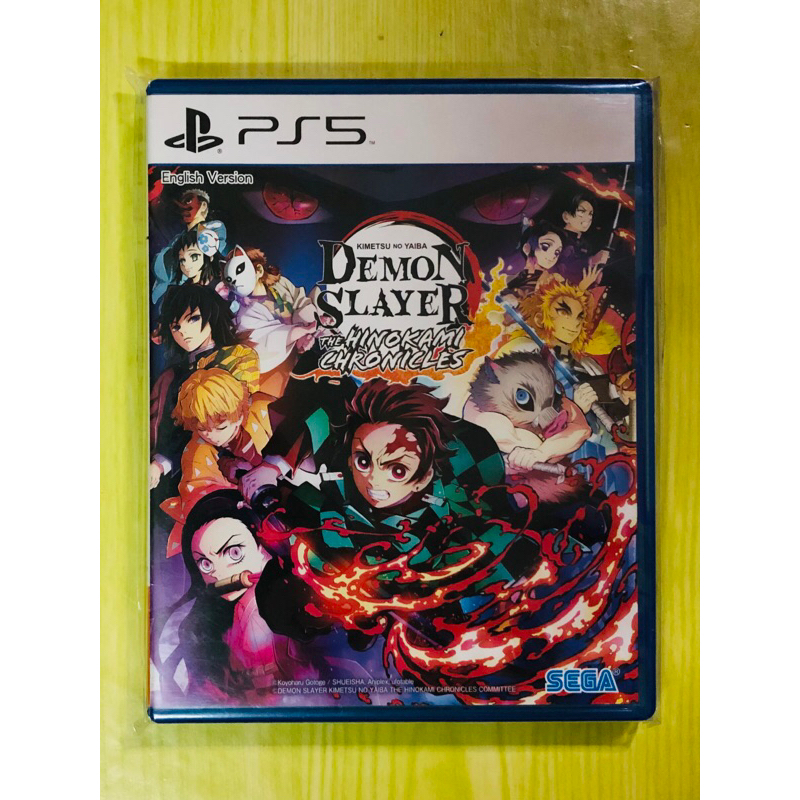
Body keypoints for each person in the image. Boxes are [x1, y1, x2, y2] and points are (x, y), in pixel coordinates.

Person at [159, 490, 324, 703]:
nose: (219, 574)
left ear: (264, 546)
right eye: (206, 564)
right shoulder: (201, 626)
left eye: (234, 553)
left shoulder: (297, 603)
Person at [149, 284, 259, 495]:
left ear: (212, 315)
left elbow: (240, 413)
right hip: (186, 466)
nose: (184, 332)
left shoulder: (238, 357)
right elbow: (175, 427)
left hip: (238, 457)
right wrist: (161, 462)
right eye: (176, 327)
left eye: (193, 319)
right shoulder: (174, 375)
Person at [222, 246, 319, 398]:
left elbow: (301, 302)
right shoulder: (243, 313)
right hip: (276, 371)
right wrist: (302, 333)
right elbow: (267, 340)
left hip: (307, 354)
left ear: (259, 270)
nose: (235, 281)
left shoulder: (280, 285)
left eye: (240, 271)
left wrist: (308, 329)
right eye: (230, 279)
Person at [151, 189, 229, 304]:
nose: (182, 208)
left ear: (203, 205)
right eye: (180, 205)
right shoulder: (177, 239)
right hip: (168, 296)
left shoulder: (214, 227)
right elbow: (161, 266)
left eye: (188, 201)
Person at [555, 191, 608, 287]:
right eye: (581, 213)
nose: (587, 219)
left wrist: (595, 273)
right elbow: (562, 266)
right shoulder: (557, 238)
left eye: (590, 214)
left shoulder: (585, 243)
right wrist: (591, 260)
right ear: (566, 216)